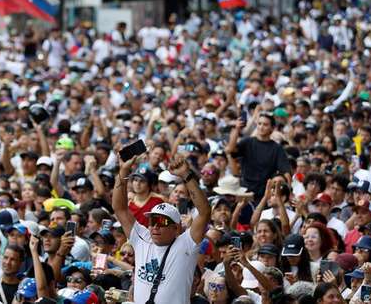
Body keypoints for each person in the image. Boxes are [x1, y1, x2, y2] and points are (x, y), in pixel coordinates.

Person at [112, 153, 210, 303]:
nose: (155, 226)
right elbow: (119, 208)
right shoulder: (141, 237)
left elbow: (204, 213)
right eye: (152, 221)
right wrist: (124, 170)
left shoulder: (187, 244)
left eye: (162, 222)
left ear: (176, 228)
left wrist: (186, 175)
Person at [227, 113, 291, 199]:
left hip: (264, 193)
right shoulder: (247, 142)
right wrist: (237, 129)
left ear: (272, 128)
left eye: (265, 124)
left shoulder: (277, 148)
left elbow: (286, 172)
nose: (261, 127)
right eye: (259, 123)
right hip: (244, 190)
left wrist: (289, 193)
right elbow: (230, 150)